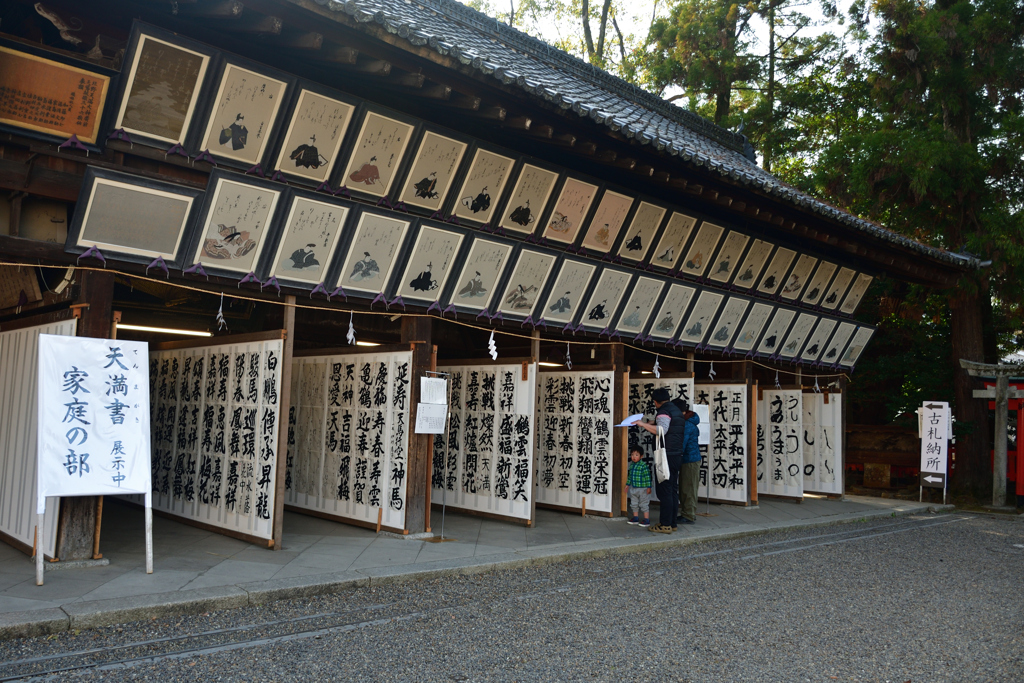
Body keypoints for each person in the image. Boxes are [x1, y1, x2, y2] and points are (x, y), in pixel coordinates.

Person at [635, 388, 686, 533]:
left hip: (666, 456)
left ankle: (665, 524)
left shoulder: (663, 411)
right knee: (672, 490)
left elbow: (662, 430)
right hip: (676, 455)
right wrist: (651, 422)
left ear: (656, 402)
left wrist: (643, 424)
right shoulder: (676, 411)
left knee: (664, 490)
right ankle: (673, 523)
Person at [671, 398, 701, 525]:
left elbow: (680, 444)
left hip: (690, 461)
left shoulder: (686, 424)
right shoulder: (686, 421)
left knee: (688, 488)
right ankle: (686, 513)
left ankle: (689, 515)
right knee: (685, 487)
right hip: (687, 460)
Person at [624, 445, 651, 527]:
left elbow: (647, 477)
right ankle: (635, 518)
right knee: (634, 503)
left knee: (644, 503)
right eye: (632, 455)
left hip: (642, 488)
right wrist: (627, 485)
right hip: (633, 488)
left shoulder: (643, 465)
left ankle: (646, 519)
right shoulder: (632, 465)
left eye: (636, 455)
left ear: (641, 456)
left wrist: (649, 487)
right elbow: (630, 476)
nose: (634, 457)